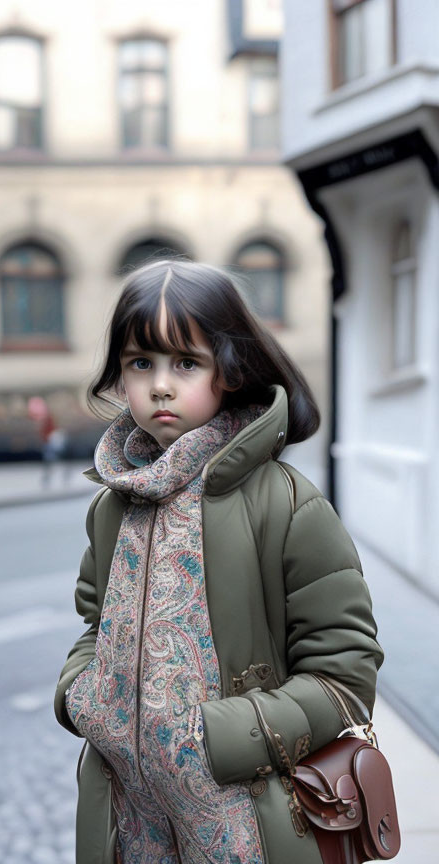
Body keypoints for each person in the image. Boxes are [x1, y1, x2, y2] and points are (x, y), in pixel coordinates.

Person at [53, 260, 383, 864]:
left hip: (245, 824)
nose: (159, 385)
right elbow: (96, 628)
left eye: (186, 363)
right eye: (139, 363)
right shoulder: (111, 507)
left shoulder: (286, 503)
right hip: (127, 822)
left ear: (229, 371)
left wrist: (215, 740)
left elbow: (346, 676)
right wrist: (80, 696)